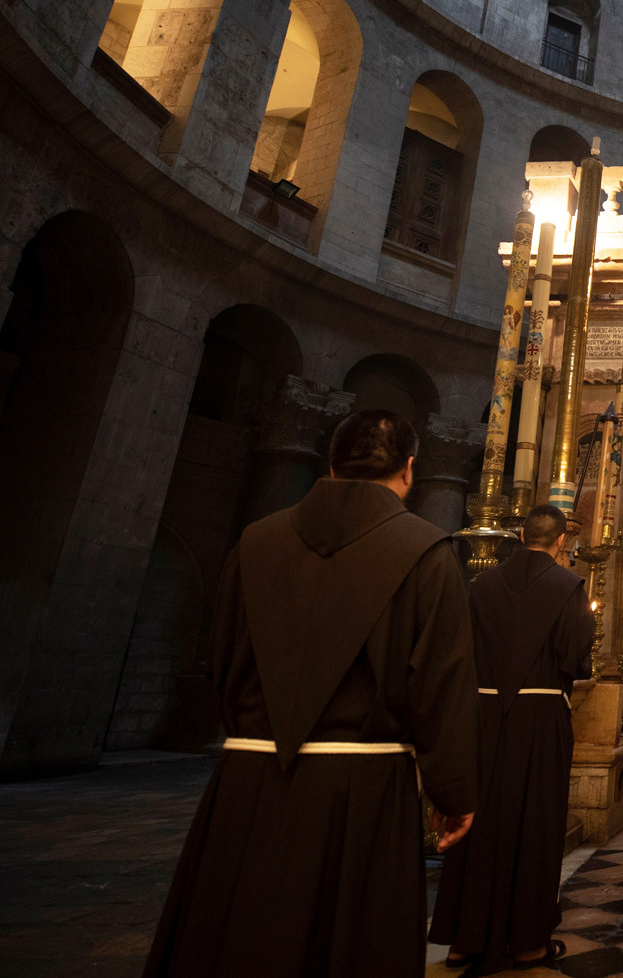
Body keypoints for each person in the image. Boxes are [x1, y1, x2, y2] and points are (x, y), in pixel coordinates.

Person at [145, 409, 476, 978]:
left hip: (248, 782)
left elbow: (221, 657)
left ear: (330, 461)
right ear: (409, 470)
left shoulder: (255, 541)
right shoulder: (427, 551)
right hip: (361, 791)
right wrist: (453, 790)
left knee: (234, 935)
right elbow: (440, 686)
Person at [430, 504, 594, 974]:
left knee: (477, 821)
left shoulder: (480, 585)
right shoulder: (569, 587)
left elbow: (460, 648)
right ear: (561, 541)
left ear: (520, 535)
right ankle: (525, 944)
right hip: (540, 719)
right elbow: (576, 660)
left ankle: (463, 940)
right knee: (536, 823)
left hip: (482, 716)